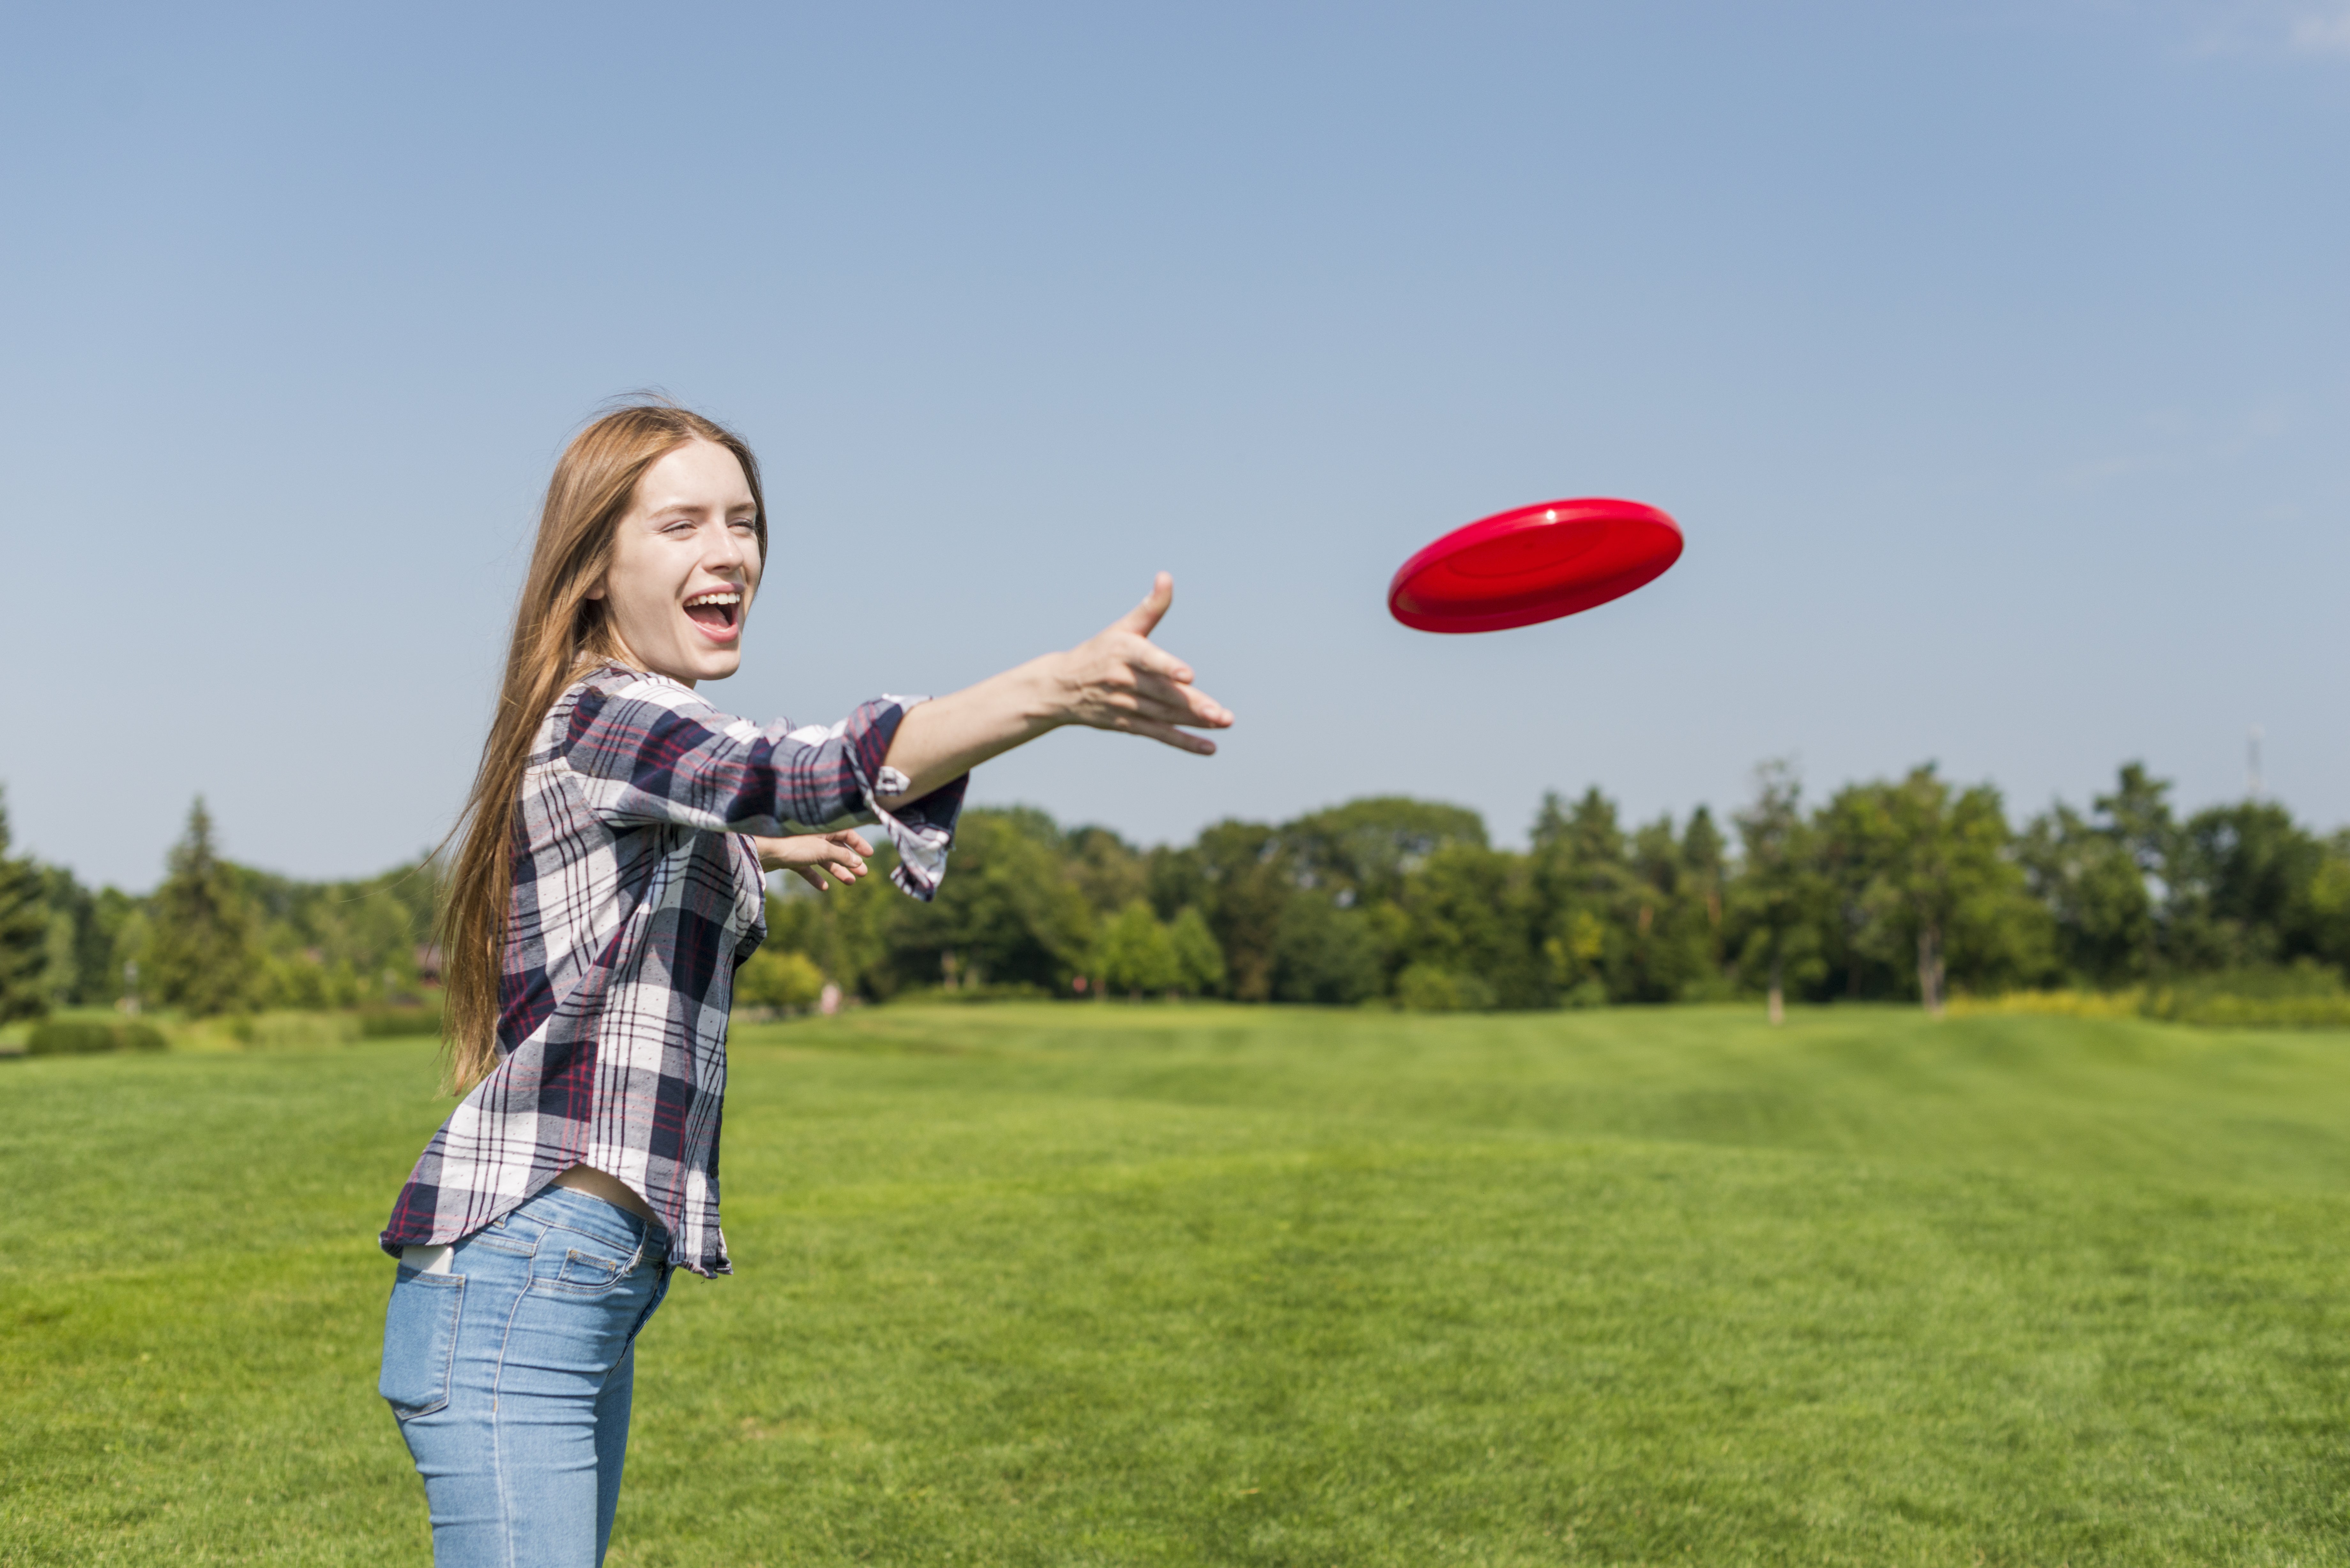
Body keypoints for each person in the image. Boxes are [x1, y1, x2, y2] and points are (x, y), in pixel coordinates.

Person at [375, 402, 1231, 1566]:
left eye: (744, 521)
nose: (729, 552)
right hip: (520, 1292)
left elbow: (718, 808)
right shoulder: (605, 713)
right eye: (680, 524)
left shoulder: (631, 744)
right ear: (593, 569)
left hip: (567, 1290)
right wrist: (1052, 692)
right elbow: (792, 769)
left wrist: (758, 848)